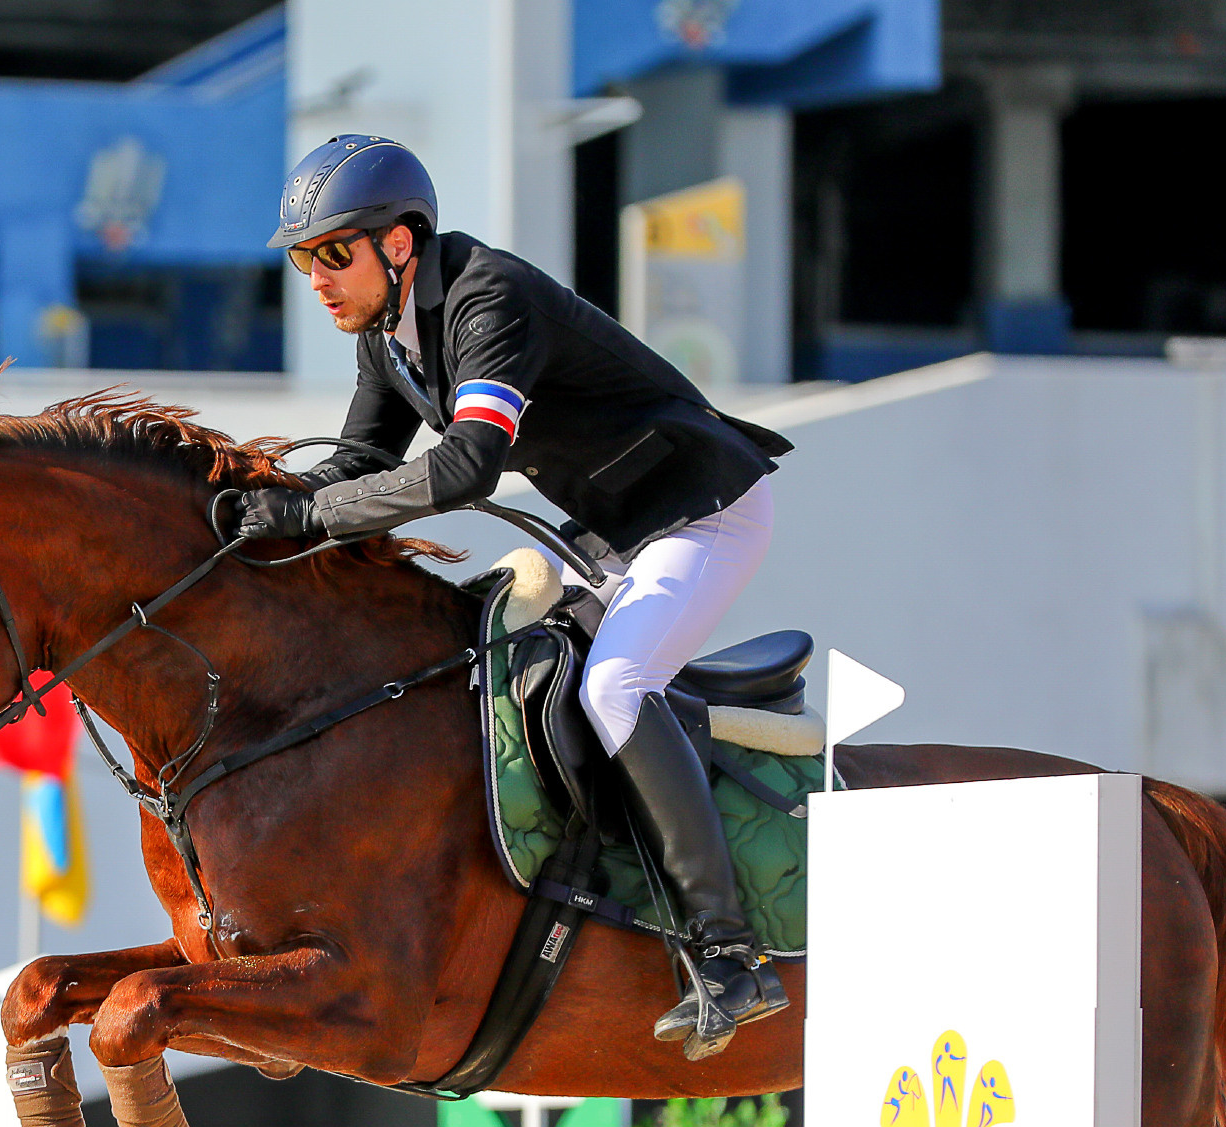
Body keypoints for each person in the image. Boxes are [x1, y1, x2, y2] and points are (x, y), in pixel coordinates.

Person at [226, 134, 799, 1060]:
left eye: (334, 252)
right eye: (304, 259)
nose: (318, 278)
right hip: (616, 529)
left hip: (703, 512)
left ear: (400, 243)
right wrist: (266, 514)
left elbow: (464, 466)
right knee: (509, 667)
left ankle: (730, 952)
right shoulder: (389, 335)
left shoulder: (490, 297)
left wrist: (311, 517)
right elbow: (361, 466)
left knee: (614, 687)